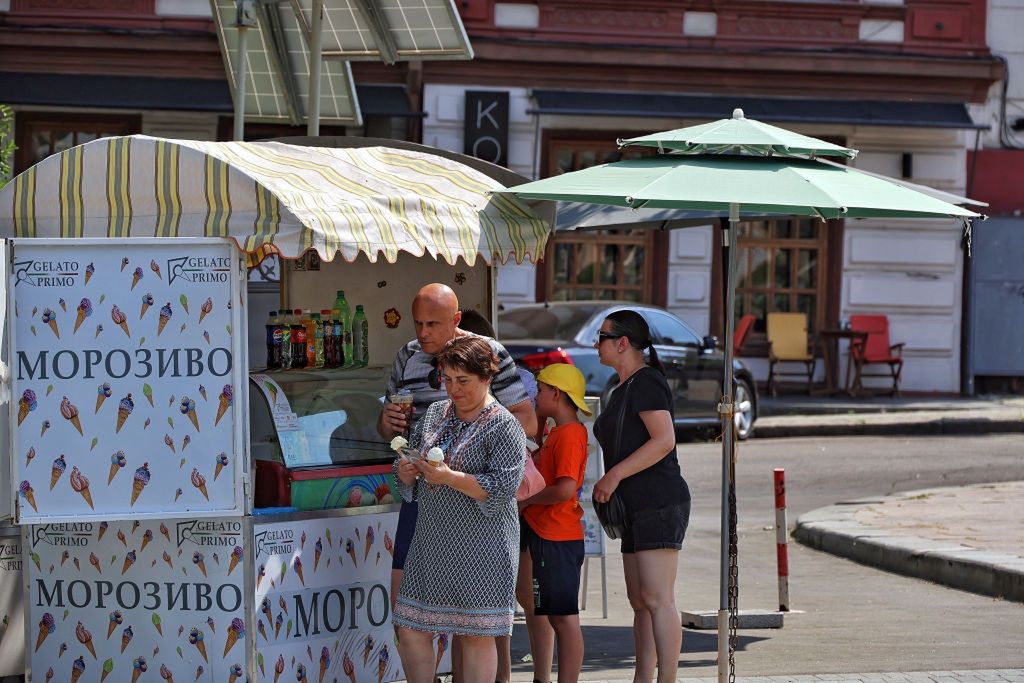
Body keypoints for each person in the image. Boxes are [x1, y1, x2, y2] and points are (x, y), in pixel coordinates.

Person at [377, 284, 536, 678]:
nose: (452, 389)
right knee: (411, 625)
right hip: (432, 535)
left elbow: (504, 483)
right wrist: (405, 467)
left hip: (480, 540)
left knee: (475, 633)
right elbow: (406, 463)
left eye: (462, 381)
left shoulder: (500, 413)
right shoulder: (430, 403)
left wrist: (453, 475)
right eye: (448, 380)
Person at [591, 310, 690, 683]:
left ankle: (667, 678)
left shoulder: (647, 382)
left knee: (657, 598)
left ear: (622, 343)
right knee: (639, 600)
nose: (596, 344)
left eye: (601, 337)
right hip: (632, 504)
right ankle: (642, 677)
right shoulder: (621, 387)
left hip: (658, 500)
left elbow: (664, 440)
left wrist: (614, 474)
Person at [518, 364, 590, 683]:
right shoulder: (557, 432)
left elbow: (564, 489)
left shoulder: (571, 434)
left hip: (558, 537)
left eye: (541, 390)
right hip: (547, 535)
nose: (535, 396)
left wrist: (529, 500)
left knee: (564, 619)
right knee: (554, 615)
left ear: (556, 394)